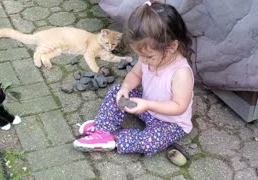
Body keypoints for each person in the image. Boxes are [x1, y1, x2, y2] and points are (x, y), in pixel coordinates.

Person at [73, 0, 194, 156]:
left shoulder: (181, 73)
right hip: (146, 105)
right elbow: (135, 74)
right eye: (139, 55)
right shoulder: (148, 57)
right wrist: (126, 88)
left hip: (170, 122)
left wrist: (147, 104)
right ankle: (102, 130)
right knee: (116, 91)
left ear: (171, 47)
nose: (142, 60)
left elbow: (179, 106)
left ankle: (115, 138)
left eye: (148, 56)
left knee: (150, 142)